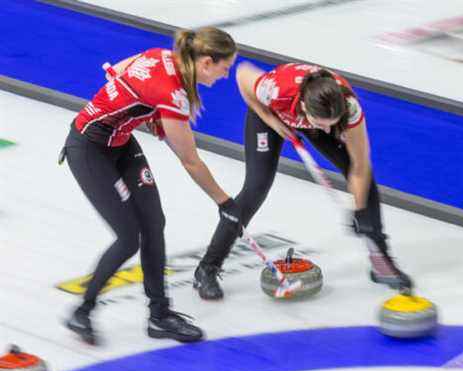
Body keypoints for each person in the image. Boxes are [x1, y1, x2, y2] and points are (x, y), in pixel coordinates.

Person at [63, 27, 241, 345]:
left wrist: (145, 113)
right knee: (129, 237)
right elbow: (190, 160)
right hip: (89, 150)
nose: (225, 76)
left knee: (153, 223)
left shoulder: (161, 55)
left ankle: (160, 316)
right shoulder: (174, 94)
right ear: (206, 62)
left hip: (118, 142)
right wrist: (226, 203)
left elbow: (116, 72)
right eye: (224, 68)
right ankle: (82, 310)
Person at [193, 61, 413, 300]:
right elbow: (243, 74)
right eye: (322, 124)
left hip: (310, 121)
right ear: (305, 107)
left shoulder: (349, 108)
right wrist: (272, 120)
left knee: (362, 179)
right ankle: (207, 268)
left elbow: (360, 167)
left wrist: (361, 213)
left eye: (332, 125)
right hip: (272, 113)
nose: (329, 132)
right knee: (256, 187)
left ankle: (381, 263)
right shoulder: (277, 90)